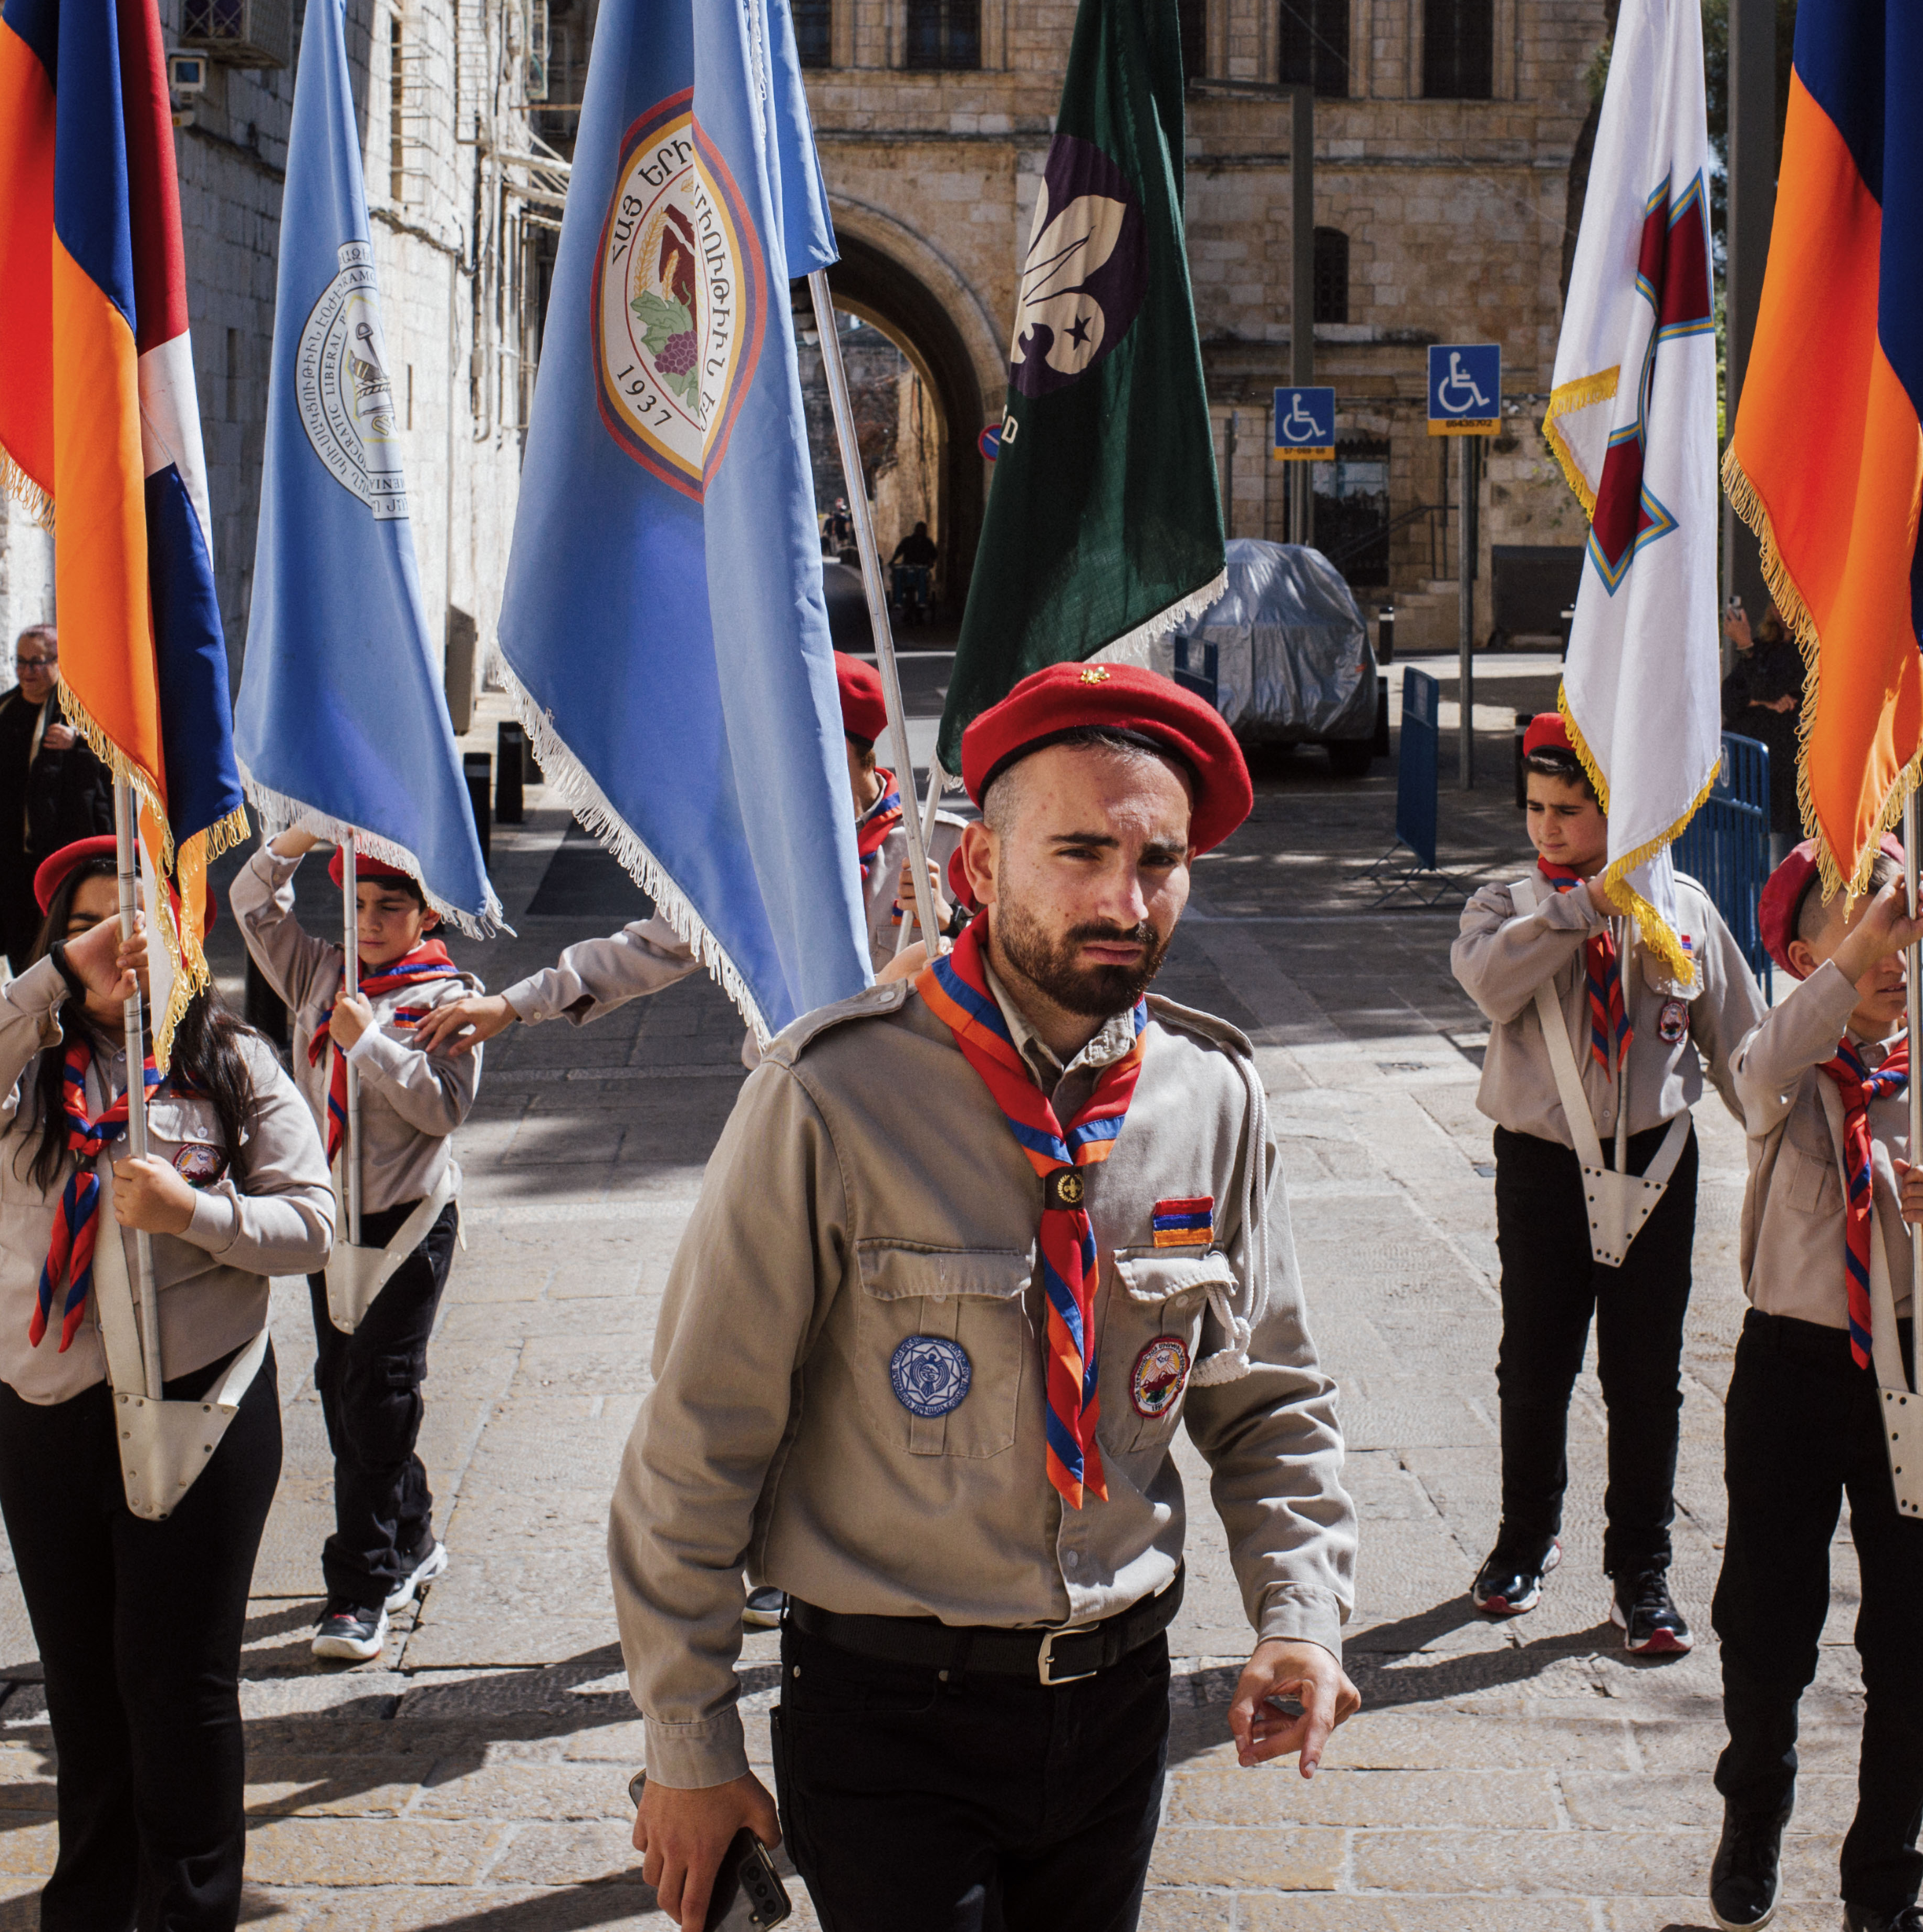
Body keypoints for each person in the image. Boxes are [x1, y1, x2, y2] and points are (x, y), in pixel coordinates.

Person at [611, 661, 1359, 1932]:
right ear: (974, 865)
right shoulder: (829, 1095)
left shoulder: (1210, 1097)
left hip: (1117, 1706)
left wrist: (1300, 1613)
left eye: (1158, 858)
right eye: (1078, 850)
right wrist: (689, 1737)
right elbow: (696, 1436)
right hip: (891, 1712)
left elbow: (1266, 1396)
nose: (1124, 898)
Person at [0, 833, 334, 1932]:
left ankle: (191, 1906)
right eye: (88, 925)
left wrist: (196, 1214)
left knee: (180, 1690)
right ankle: (91, 1908)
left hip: (196, 1415)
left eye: (136, 923)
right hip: (52, 1418)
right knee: (86, 1693)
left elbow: (312, 1224)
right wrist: (56, 981)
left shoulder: (232, 1062)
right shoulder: (23, 1074)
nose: (117, 947)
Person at [1706, 838, 1923, 1932]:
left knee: (1912, 1646)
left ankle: (1882, 1877)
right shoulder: (1784, 1074)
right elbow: (1753, 1068)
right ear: (1804, 952)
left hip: (1917, 1366)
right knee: (1764, 1623)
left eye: (1901, 916)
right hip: (1792, 1367)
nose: (1893, 943)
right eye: (1859, 922)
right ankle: (1754, 1807)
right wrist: (1852, 959)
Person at [1449, 714, 1763, 1655]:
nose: (1547, 829)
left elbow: (1742, 1051)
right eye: (1537, 808)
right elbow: (1487, 985)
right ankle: (1523, 1539)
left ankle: (1642, 1566)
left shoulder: (1683, 914)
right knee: (1534, 1362)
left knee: (1645, 1375)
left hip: (1656, 1158)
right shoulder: (1503, 905)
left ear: (1617, 810)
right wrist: (1572, 908)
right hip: (1541, 1164)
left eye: (1571, 810)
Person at [420, 657, 957, 1071]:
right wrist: (512, 1004)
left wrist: (950, 924)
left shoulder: (940, 845)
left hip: (904, 1092)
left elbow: (1011, 965)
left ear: (863, 754)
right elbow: (647, 948)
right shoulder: (754, 853)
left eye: (816, 751)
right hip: (791, 1089)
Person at [234, 827, 480, 1663]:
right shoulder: (321, 971)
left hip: (406, 1218)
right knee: (340, 1382)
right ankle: (409, 1527)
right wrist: (300, 837)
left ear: (425, 914)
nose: (369, 922)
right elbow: (251, 905)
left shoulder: (449, 994)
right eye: (358, 905)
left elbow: (443, 1108)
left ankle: (361, 1582)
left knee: (379, 1389)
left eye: (389, 907)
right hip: (328, 1217)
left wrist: (366, 1043)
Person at [0, 624, 115, 968]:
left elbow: (113, 763)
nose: (26, 672)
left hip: (60, 854)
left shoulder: (78, 709)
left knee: (63, 946)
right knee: (21, 948)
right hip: (10, 856)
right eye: (20, 662)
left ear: (60, 662)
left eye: (37, 662)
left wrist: (79, 742)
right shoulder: (3, 708)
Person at [1724, 603, 1806, 844]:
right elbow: (1729, 698)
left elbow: (1768, 687)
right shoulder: (1764, 648)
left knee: (1782, 855)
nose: (1781, 610)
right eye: (1776, 603)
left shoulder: (1807, 651)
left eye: (1788, 600)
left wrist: (1746, 647)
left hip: (1784, 774)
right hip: (1751, 776)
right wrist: (1764, 701)